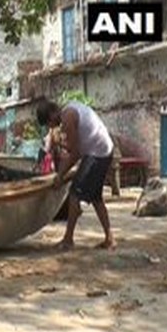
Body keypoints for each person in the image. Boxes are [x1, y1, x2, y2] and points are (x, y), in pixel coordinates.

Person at [36, 98, 115, 250]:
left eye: (48, 123)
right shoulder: (69, 110)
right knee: (96, 197)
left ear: (52, 114)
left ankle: (68, 239)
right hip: (102, 150)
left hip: (98, 152)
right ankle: (109, 238)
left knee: (74, 193)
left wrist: (59, 176)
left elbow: (75, 154)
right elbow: (74, 148)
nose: (50, 126)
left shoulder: (67, 118)